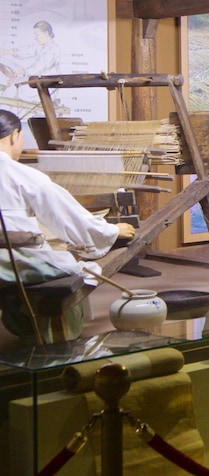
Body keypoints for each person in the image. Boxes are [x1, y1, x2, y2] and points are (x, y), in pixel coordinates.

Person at [0, 109, 135, 339]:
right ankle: (57, 342)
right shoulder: (24, 176)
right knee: (80, 270)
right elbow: (71, 219)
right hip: (15, 264)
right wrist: (112, 231)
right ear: (15, 136)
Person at [0, 21, 61, 98]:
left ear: (46, 33)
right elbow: (26, 51)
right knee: (13, 86)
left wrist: (21, 72)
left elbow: (38, 68)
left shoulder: (53, 49)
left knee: (14, 88)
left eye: (37, 35)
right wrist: (6, 51)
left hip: (47, 87)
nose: (35, 38)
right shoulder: (40, 46)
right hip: (37, 81)